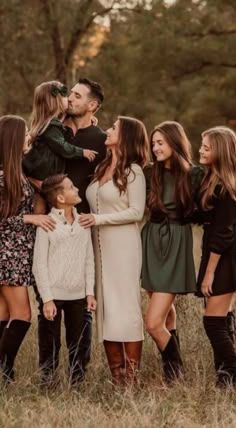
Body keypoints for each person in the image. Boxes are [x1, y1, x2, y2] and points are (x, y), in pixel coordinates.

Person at [79, 116, 149, 385]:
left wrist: (99, 219)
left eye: (114, 128)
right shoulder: (101, 168)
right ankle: (117, 379)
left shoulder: (133, 172)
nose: (107, 131)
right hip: (97, 248)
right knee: (105, 309)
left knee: (126, 308)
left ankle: (132, 379)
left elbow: (136, 211)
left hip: (123, 247)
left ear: (127, 136)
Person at [141, 121, 203, 383]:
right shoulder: (148, 173)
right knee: (165, 312)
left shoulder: (194, 175)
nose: (155, 148)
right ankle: (170, 376)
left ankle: (177, 373)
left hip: (176, 242)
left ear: (175, 143)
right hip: (151, 240)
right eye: (153, 143)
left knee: (153, 323)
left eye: (160, 143)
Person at [0, 115, 55, 383]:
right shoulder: (1, 176)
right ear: (12, 139)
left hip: (16, 252)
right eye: (24, 135)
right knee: (22, 315)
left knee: (5, 315)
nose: (28, 139)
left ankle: (5, 376)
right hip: (7, 253)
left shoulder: (15, 174)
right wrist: (30, 218)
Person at [32, 174, 96, 386]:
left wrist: (90, 292)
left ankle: (76, 383)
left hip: (78, 294)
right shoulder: (47, 224)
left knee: (79, 343)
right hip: (53, 295)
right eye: (71, 187)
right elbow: (39, 265)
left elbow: (89, 259)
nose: (77, 189)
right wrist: (47, 299)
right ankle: (47, 382)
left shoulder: (83, 222)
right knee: (49, 343)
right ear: (60, 198)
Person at [63, 77, 107, 375]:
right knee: (49, 298)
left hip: (83, 224)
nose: (70, 98)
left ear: (92, 105)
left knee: (81, 298)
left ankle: (78, 371)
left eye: (77, 96)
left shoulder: (102, 141)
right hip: (50, 224)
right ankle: (47, 371)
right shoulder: (56, 130)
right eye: (70, 93)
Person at [196, 126, 236, 386]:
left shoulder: (226, 187)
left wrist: (210, 272)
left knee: (213, 322)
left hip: (224, 258)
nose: (200, 150)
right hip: (219, 254)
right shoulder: (212, 180)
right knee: (223, 319)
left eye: (207, 147)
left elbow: (223, 233)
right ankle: (226, 379)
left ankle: (232, 368)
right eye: (201, 144)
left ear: (220, 152)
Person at [23, 80, 97, 183]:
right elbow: (62, 146)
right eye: (65, 96)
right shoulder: (51, 126)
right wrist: (82, 152)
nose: (69, 99)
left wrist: (89, 118)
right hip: (43, 174)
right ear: (57, 102)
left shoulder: (49, 123)